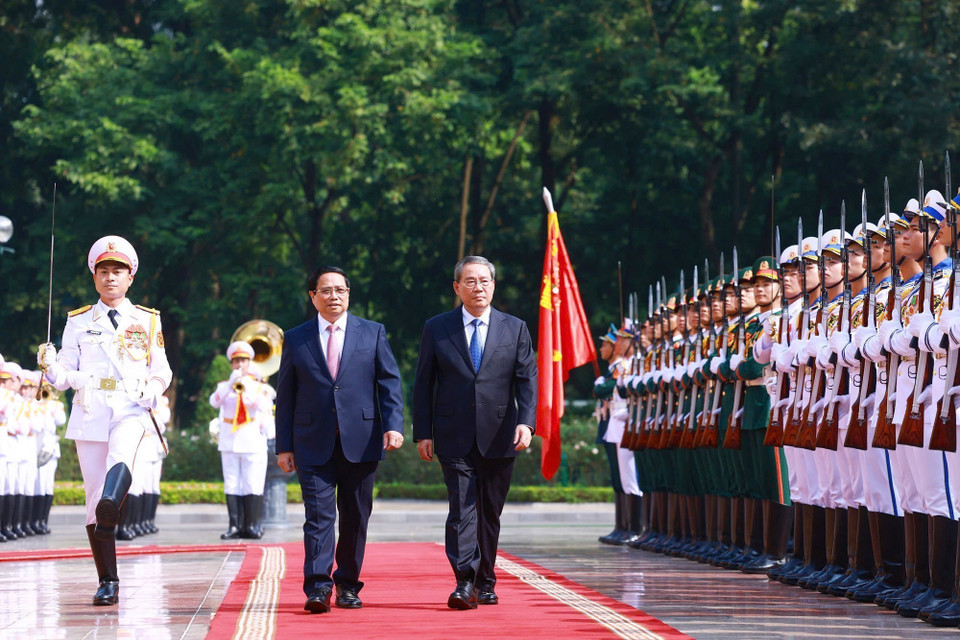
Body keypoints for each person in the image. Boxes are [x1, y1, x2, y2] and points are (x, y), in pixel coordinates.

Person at [38, 235, 172, 606]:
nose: (110, 277)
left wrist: (152, 389)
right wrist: (50, 366)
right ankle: (108, 580)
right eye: (104, 271)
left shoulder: (147, 319)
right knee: (93, 496)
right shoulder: (79, 321)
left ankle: (111, 502)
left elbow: (162, 370)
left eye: (118, 271)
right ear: (94, 276)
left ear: (130, 277)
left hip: (130, 407)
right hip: (91, 409)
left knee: (121, 459)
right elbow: (65, 374)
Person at [275, 266, 404, 614]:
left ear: (348, 294)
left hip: (362, 442)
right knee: (318, 517)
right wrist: (283, 446)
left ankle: (348, 584)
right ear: (313, 296)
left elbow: (389, 383)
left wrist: (394, 425)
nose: (334, 296)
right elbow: (285, 396)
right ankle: (318, 587)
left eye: (340, 290)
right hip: (311, 442)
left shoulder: (372, 332)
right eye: (326, 290)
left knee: (355, 517)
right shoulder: (296, 338)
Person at [413, 255, 537, 610]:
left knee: (489, 512)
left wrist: (526, 423)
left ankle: (486, 581)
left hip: (500, 434)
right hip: (453, 434)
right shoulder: (438, 328)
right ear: (457, 287)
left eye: (484, 281)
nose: (477, 287)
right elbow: (423, 383)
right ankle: (464, 581)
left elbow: (527, 380)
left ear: (493, 286)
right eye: (470, 281)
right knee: (462, 508)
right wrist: (423, 431)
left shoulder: (515, 328)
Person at [210, 341, 274, 540]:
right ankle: (234, 526)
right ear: (232, 364)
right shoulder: (224, 386)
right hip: (230, 441)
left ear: (249, 363)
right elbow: (214, 402)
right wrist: (231, 384)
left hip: (252, 440)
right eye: (236, 361)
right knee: (231, 483)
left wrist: (246, 389)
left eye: (243, 361)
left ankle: (251, 525)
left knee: (252, 483)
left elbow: (263, 406)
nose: (239, 364)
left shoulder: (259, 387)